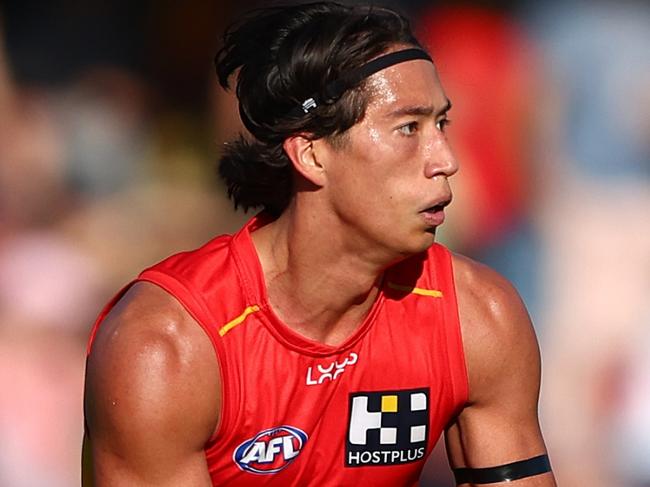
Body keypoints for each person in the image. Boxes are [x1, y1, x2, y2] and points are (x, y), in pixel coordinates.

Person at [83, 2, 556, 485]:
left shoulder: (478, 317)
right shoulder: (167, 348)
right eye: (408, 128)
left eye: (442, 125)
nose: (447, 159)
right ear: (311, 154)